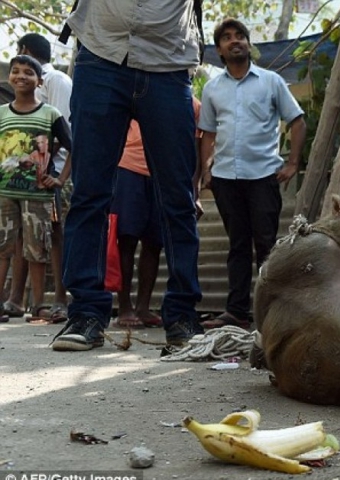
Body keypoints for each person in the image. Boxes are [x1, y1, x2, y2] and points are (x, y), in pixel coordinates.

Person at [51, 0, 203, 352]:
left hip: (168, 59)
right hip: (101, 53)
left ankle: (181, 316)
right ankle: (86, 313)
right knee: (90, 192)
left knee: (177, 198)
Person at [198, 18, 306, 330]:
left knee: (267, 246)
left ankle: (272, 313)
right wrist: (205, 171)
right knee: (237, 246)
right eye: (228, 38)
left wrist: (293, 163)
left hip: (263, 176)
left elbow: (297, 121)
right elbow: (206, 133)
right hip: (226, 178)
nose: (235, 41)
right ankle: (236, 312)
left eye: (241, 36)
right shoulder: (213, 88)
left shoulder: (271, 81)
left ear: (249, 43)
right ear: (219, 49)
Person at [111, 96, 202, 329]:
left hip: (165, 172)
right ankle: (124, 306)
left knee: (154, 242)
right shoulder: (134, 92)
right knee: (127, 238)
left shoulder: (193, 104)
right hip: (129, 167)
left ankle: (143, 306)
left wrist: (195, 188)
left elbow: (195, 145)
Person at [0, 33, 73, 323]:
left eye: (27, 70)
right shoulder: (5, 112)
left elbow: (64, 131)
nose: (20, 76)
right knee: (16, 239)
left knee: (49, 237)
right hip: (13, 184)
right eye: (15, 71)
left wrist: (39, 164)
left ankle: (53, 301)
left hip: (48, 175)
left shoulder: (57, 81)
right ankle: (16, 299)